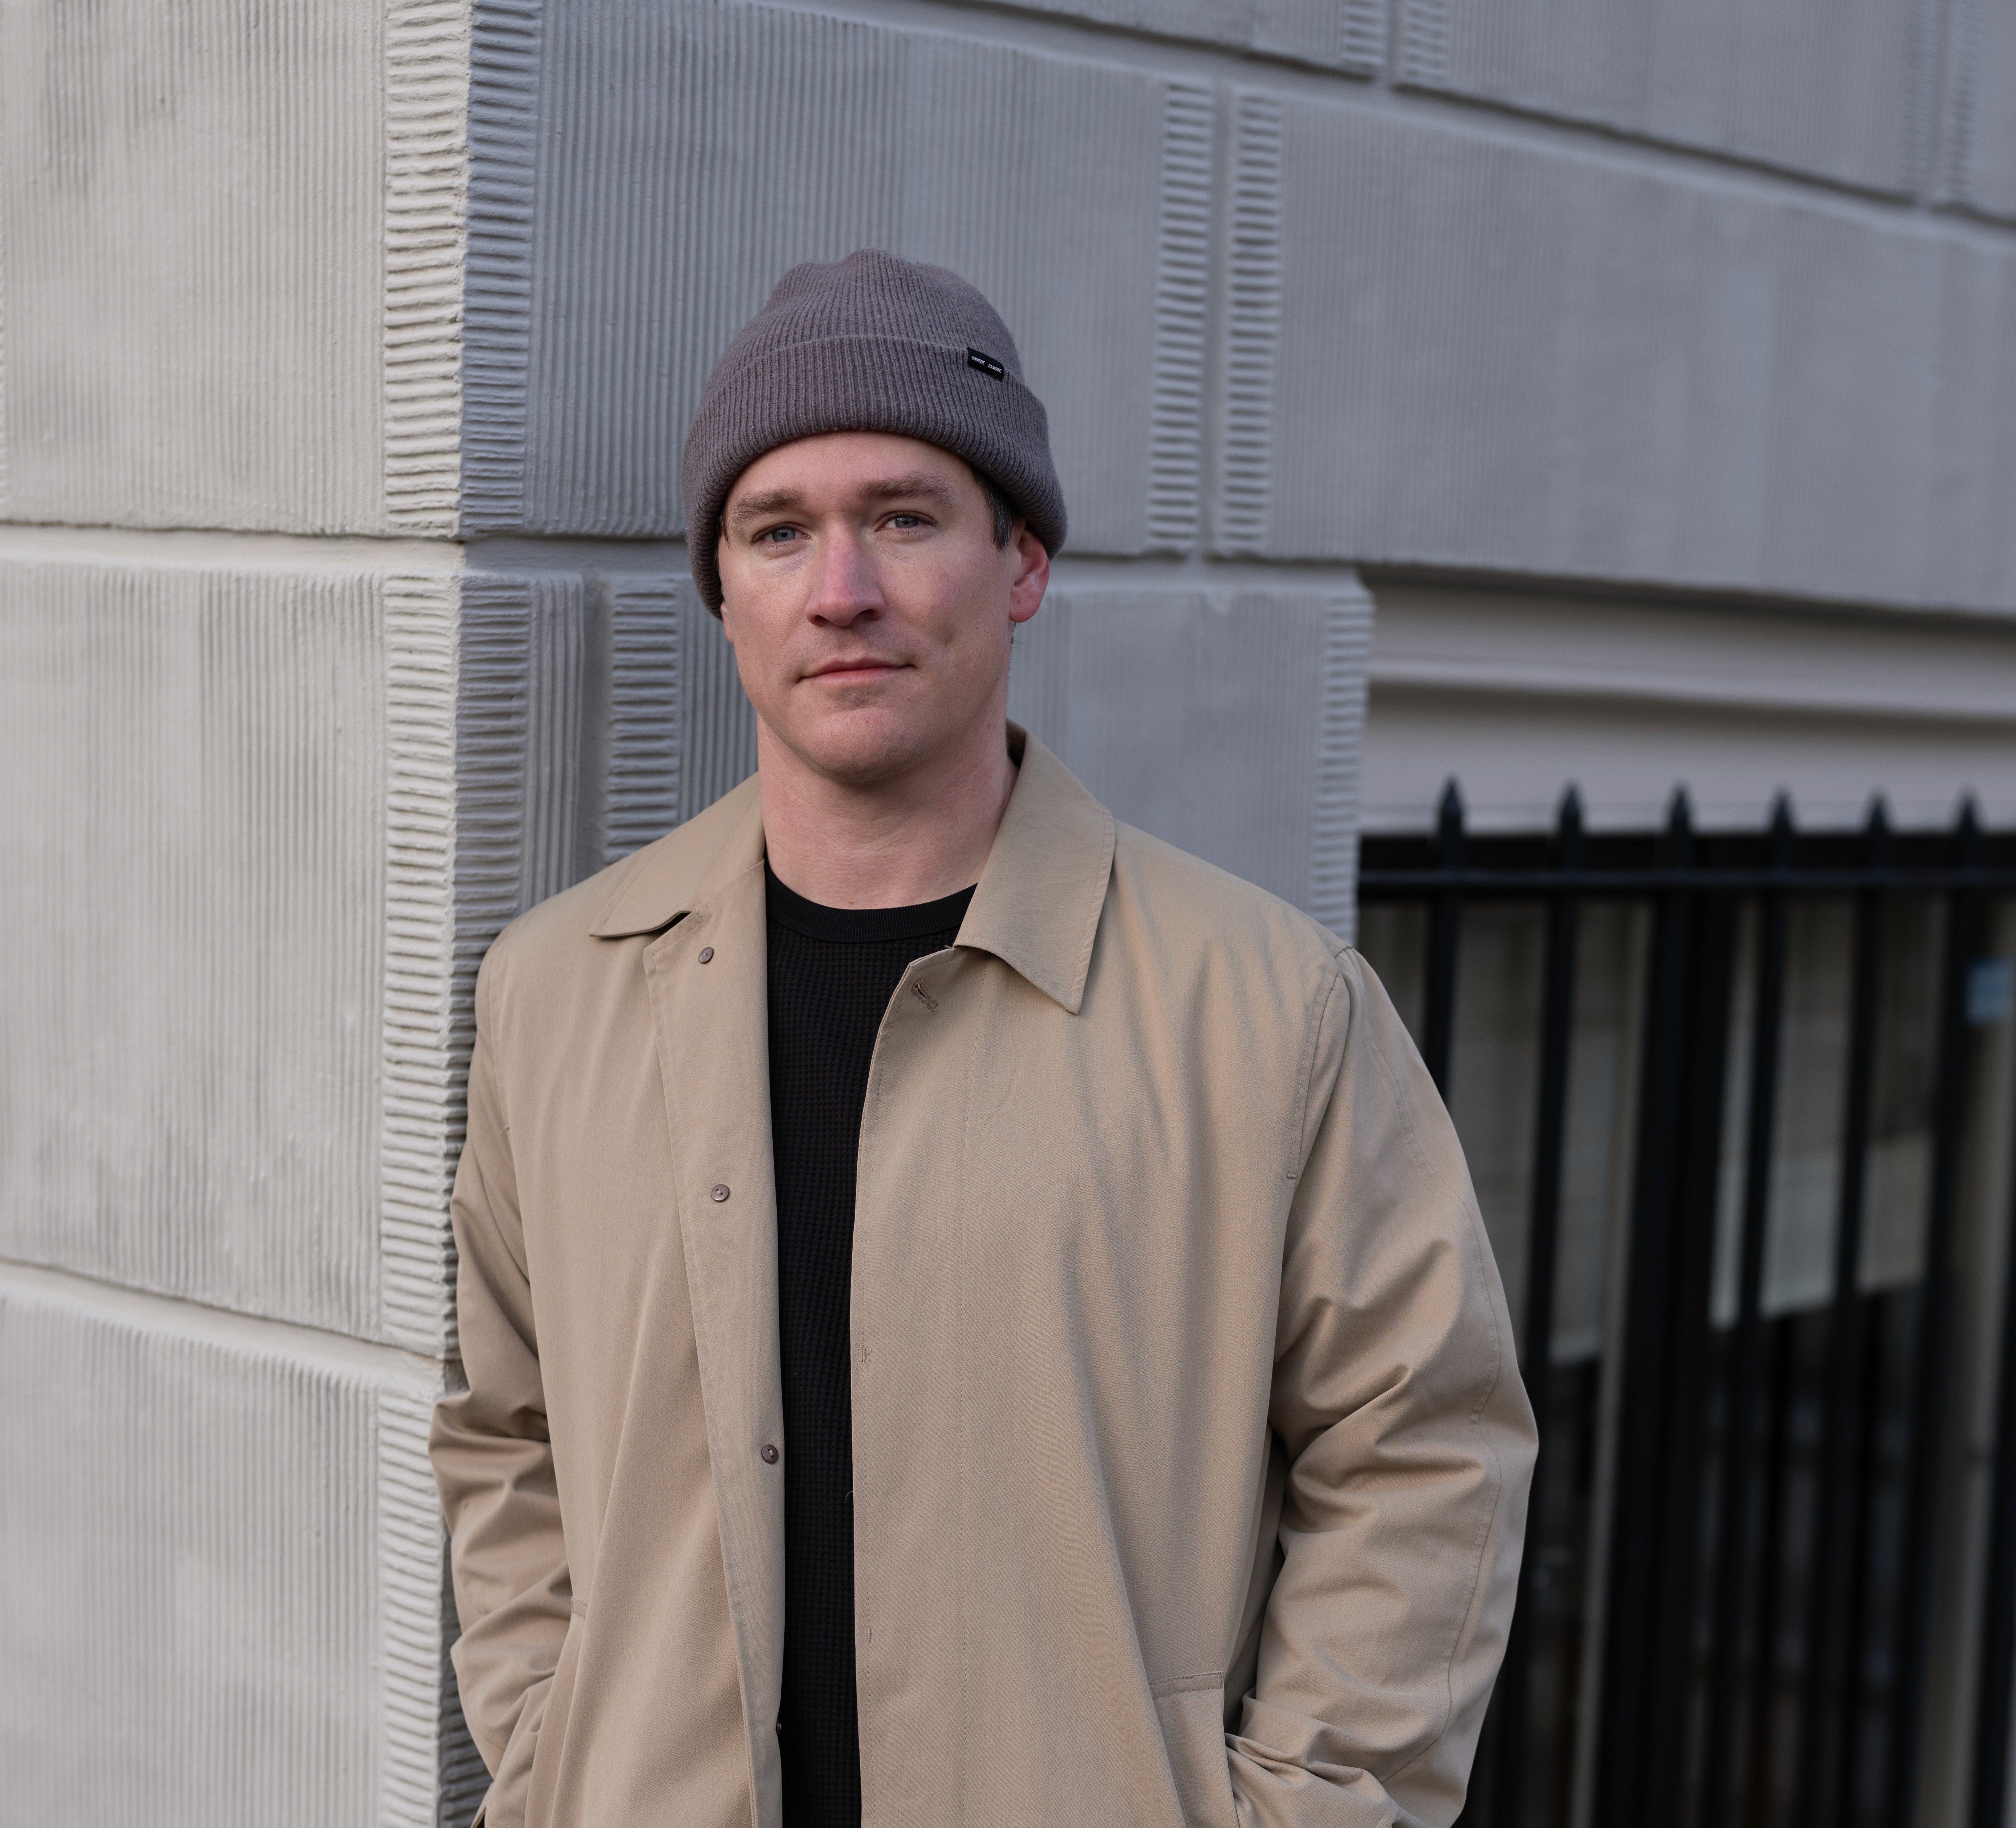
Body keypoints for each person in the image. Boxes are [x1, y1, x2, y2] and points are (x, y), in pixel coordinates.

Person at [431, 249, 1535, 1828]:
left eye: (902, 516)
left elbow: (1422, 1454)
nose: (842, 590)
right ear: (723, 589)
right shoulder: (557, 992)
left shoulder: (1263, 1010)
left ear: (1018, 561)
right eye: (778, 530)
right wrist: (553, 1760)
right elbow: (505, 1436)